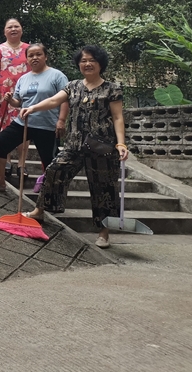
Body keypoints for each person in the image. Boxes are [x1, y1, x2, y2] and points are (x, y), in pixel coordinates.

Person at [21, 46, 129, 249]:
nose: (87, 64)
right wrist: (33, 107)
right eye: (83, 60)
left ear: (100, 63)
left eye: (92, 60)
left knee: (104, 188)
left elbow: (117, 117)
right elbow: (54, 100)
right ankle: (40, 210)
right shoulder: (73, 86)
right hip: (75, 143)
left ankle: (104, 233)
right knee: (54, 170)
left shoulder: (112, 89)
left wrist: (121, 143)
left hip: (102, 146)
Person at [0, 44, 68, 192]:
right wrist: (10, 100)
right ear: (26, 59)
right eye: (31, 55)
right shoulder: (23, 78)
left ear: (45, 56)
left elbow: (65, 99)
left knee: (49, 159)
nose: (34, 58)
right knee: (0, 142)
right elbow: (18, 102)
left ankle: (51, 191)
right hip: (24, 122)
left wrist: (61, 120)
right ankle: (0, 181)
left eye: (38, 54)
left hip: (46, 125)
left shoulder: (57, 76)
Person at [0, 18, 29, 132]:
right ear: (4, 32)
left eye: (16, 26)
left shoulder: (29, 49)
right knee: (3, 131)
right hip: (3, 95)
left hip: (24, 95)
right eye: (10, 27)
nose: (13, 29)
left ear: (21, 30)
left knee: (24, 130)